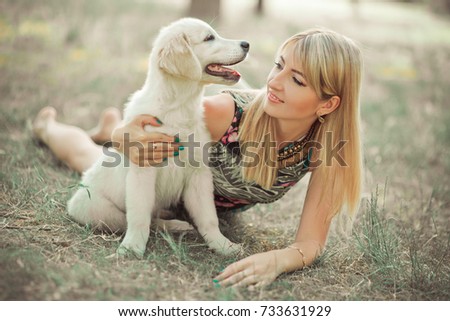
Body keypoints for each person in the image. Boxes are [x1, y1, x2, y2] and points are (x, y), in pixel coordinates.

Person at [33, 28, 363, 288]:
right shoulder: (224, 113)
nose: (274, 81)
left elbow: (309, 243)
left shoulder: (327, 147)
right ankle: (48, 126)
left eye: (296, 79)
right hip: (161, 180)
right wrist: (122, 136)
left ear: (328, 104)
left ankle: (104, 129)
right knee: (88, 156)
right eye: (279, 65)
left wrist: (277, 260)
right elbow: (153, 115)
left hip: (202, 203)